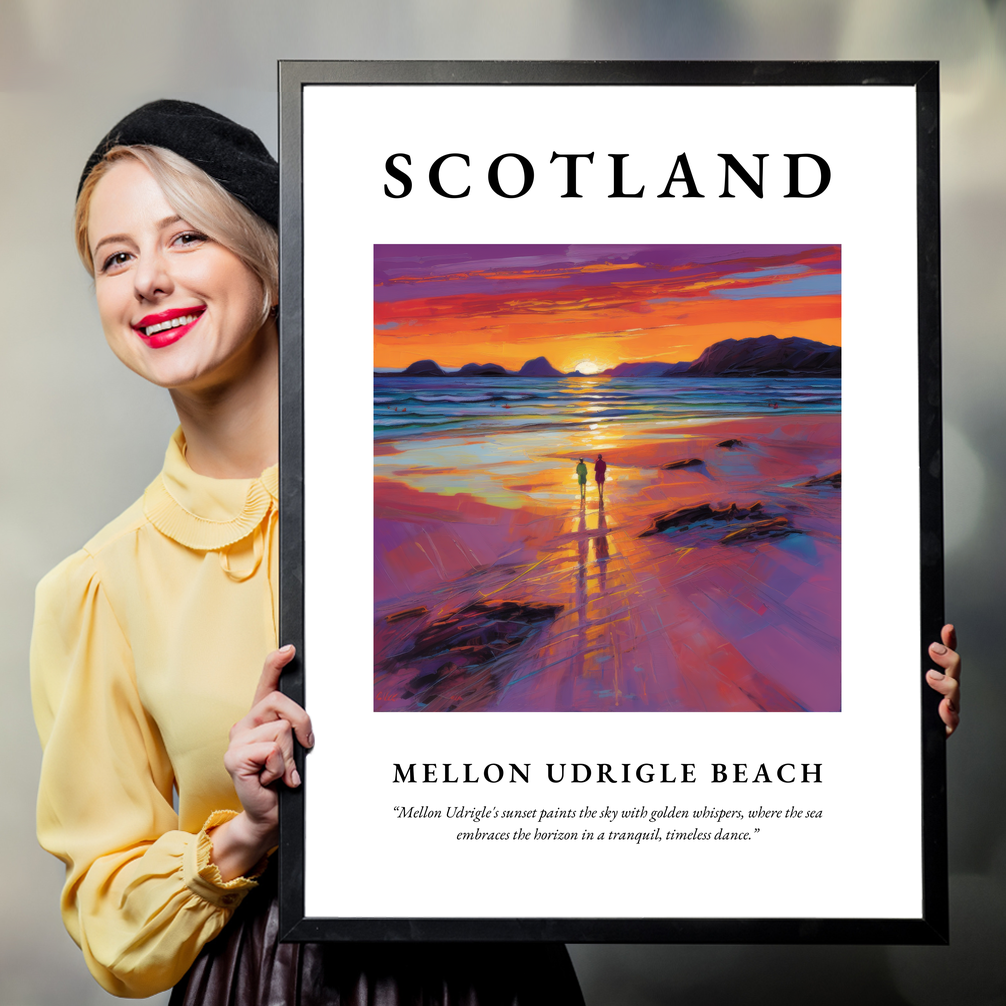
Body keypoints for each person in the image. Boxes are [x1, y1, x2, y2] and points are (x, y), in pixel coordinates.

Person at [30, 100, 584, 1005]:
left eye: (186, 238)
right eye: (116, 257)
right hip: (262, 981)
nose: (148, 281)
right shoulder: (98, 587)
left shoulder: (452, 501)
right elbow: (110, 924)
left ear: (273, 263)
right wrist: (245, 832)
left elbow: (604, 706)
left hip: (494, 973)